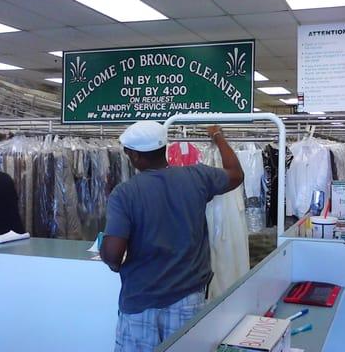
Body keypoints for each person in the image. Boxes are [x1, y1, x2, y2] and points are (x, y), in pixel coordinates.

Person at [100, 121, 244, 352]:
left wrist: (113, 261)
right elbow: (236, 174)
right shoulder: (197, 176)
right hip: (188, 299)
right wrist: (218, 136)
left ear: (135, 156)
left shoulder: (125, 193)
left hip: (140, 300)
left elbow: (113, 253)